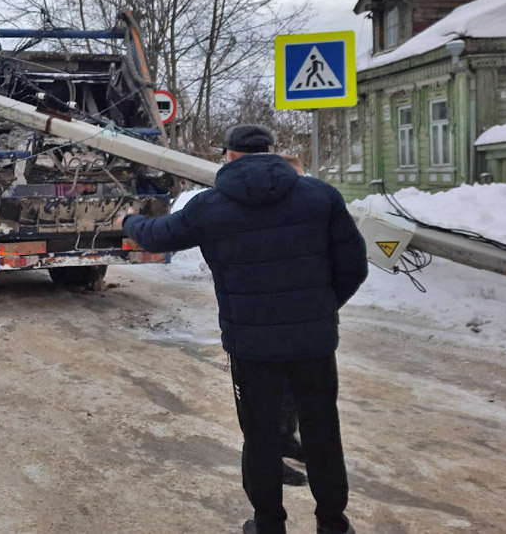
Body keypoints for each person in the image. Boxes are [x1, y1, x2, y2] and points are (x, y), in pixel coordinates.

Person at [118, 124, 368, 534]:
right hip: (314, 342)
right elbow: (353, 267)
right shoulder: (320, 197)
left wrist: (129, 221)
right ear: (273, 151)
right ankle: (333, 525)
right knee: (323, 431)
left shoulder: (210, 206)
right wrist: (318, 310)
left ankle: (269, 524)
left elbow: (158, 237)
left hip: (251, 348)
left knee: (260, 436)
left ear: (229, 157)